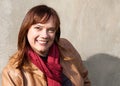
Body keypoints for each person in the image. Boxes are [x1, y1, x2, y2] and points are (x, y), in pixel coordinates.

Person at [2, 5, 91, 86]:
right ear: (26, 30)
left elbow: (84, 79)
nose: (44, 35)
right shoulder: (13, 72)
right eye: (38, 28)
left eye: (51, 30)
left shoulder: (66, 47)